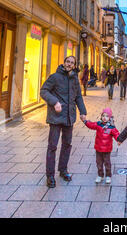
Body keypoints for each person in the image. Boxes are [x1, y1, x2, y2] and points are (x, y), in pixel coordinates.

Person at [40, 56, 87, 188]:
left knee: (67, 145)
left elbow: (78, 96)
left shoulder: (75, 79)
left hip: (69, 117)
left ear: (74, 65)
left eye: (72, 63)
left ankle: (63, 170)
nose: (69, 64)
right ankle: (50, 175)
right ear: (64, 63)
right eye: (68, 62)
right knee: (52, 146)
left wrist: (83, 112)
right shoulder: (54, 77)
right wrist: (54, 102)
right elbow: (43, 91)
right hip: (56, 117)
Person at [81, 107, 119, 184]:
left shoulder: (111, 127)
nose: (105, 118)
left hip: (107, 149)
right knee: (99, 163)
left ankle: (108, 176)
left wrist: (119, 139)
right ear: (101, 116)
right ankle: (100, 175)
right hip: (98, 148)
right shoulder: (98, 124)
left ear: (110, 117)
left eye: (107, 116)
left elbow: (116, 134)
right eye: (103, 116)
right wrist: (85, 121)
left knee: (107, 163)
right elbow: (91, 125)